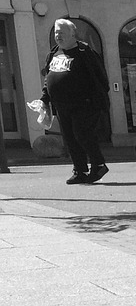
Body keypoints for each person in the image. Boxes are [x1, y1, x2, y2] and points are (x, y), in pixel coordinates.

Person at [39, 18, 110, 185]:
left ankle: (98, 165)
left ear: (72, 34)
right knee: (70, 138)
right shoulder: (54, 53)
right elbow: (48, 78)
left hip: (84, 104)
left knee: (82, 134)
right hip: (62, 105)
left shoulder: (84, 52)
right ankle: (80, 170)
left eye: (62, 33)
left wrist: (94, 99)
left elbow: (100, 78)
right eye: (56, 33)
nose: (58, 36)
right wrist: (44, 98)